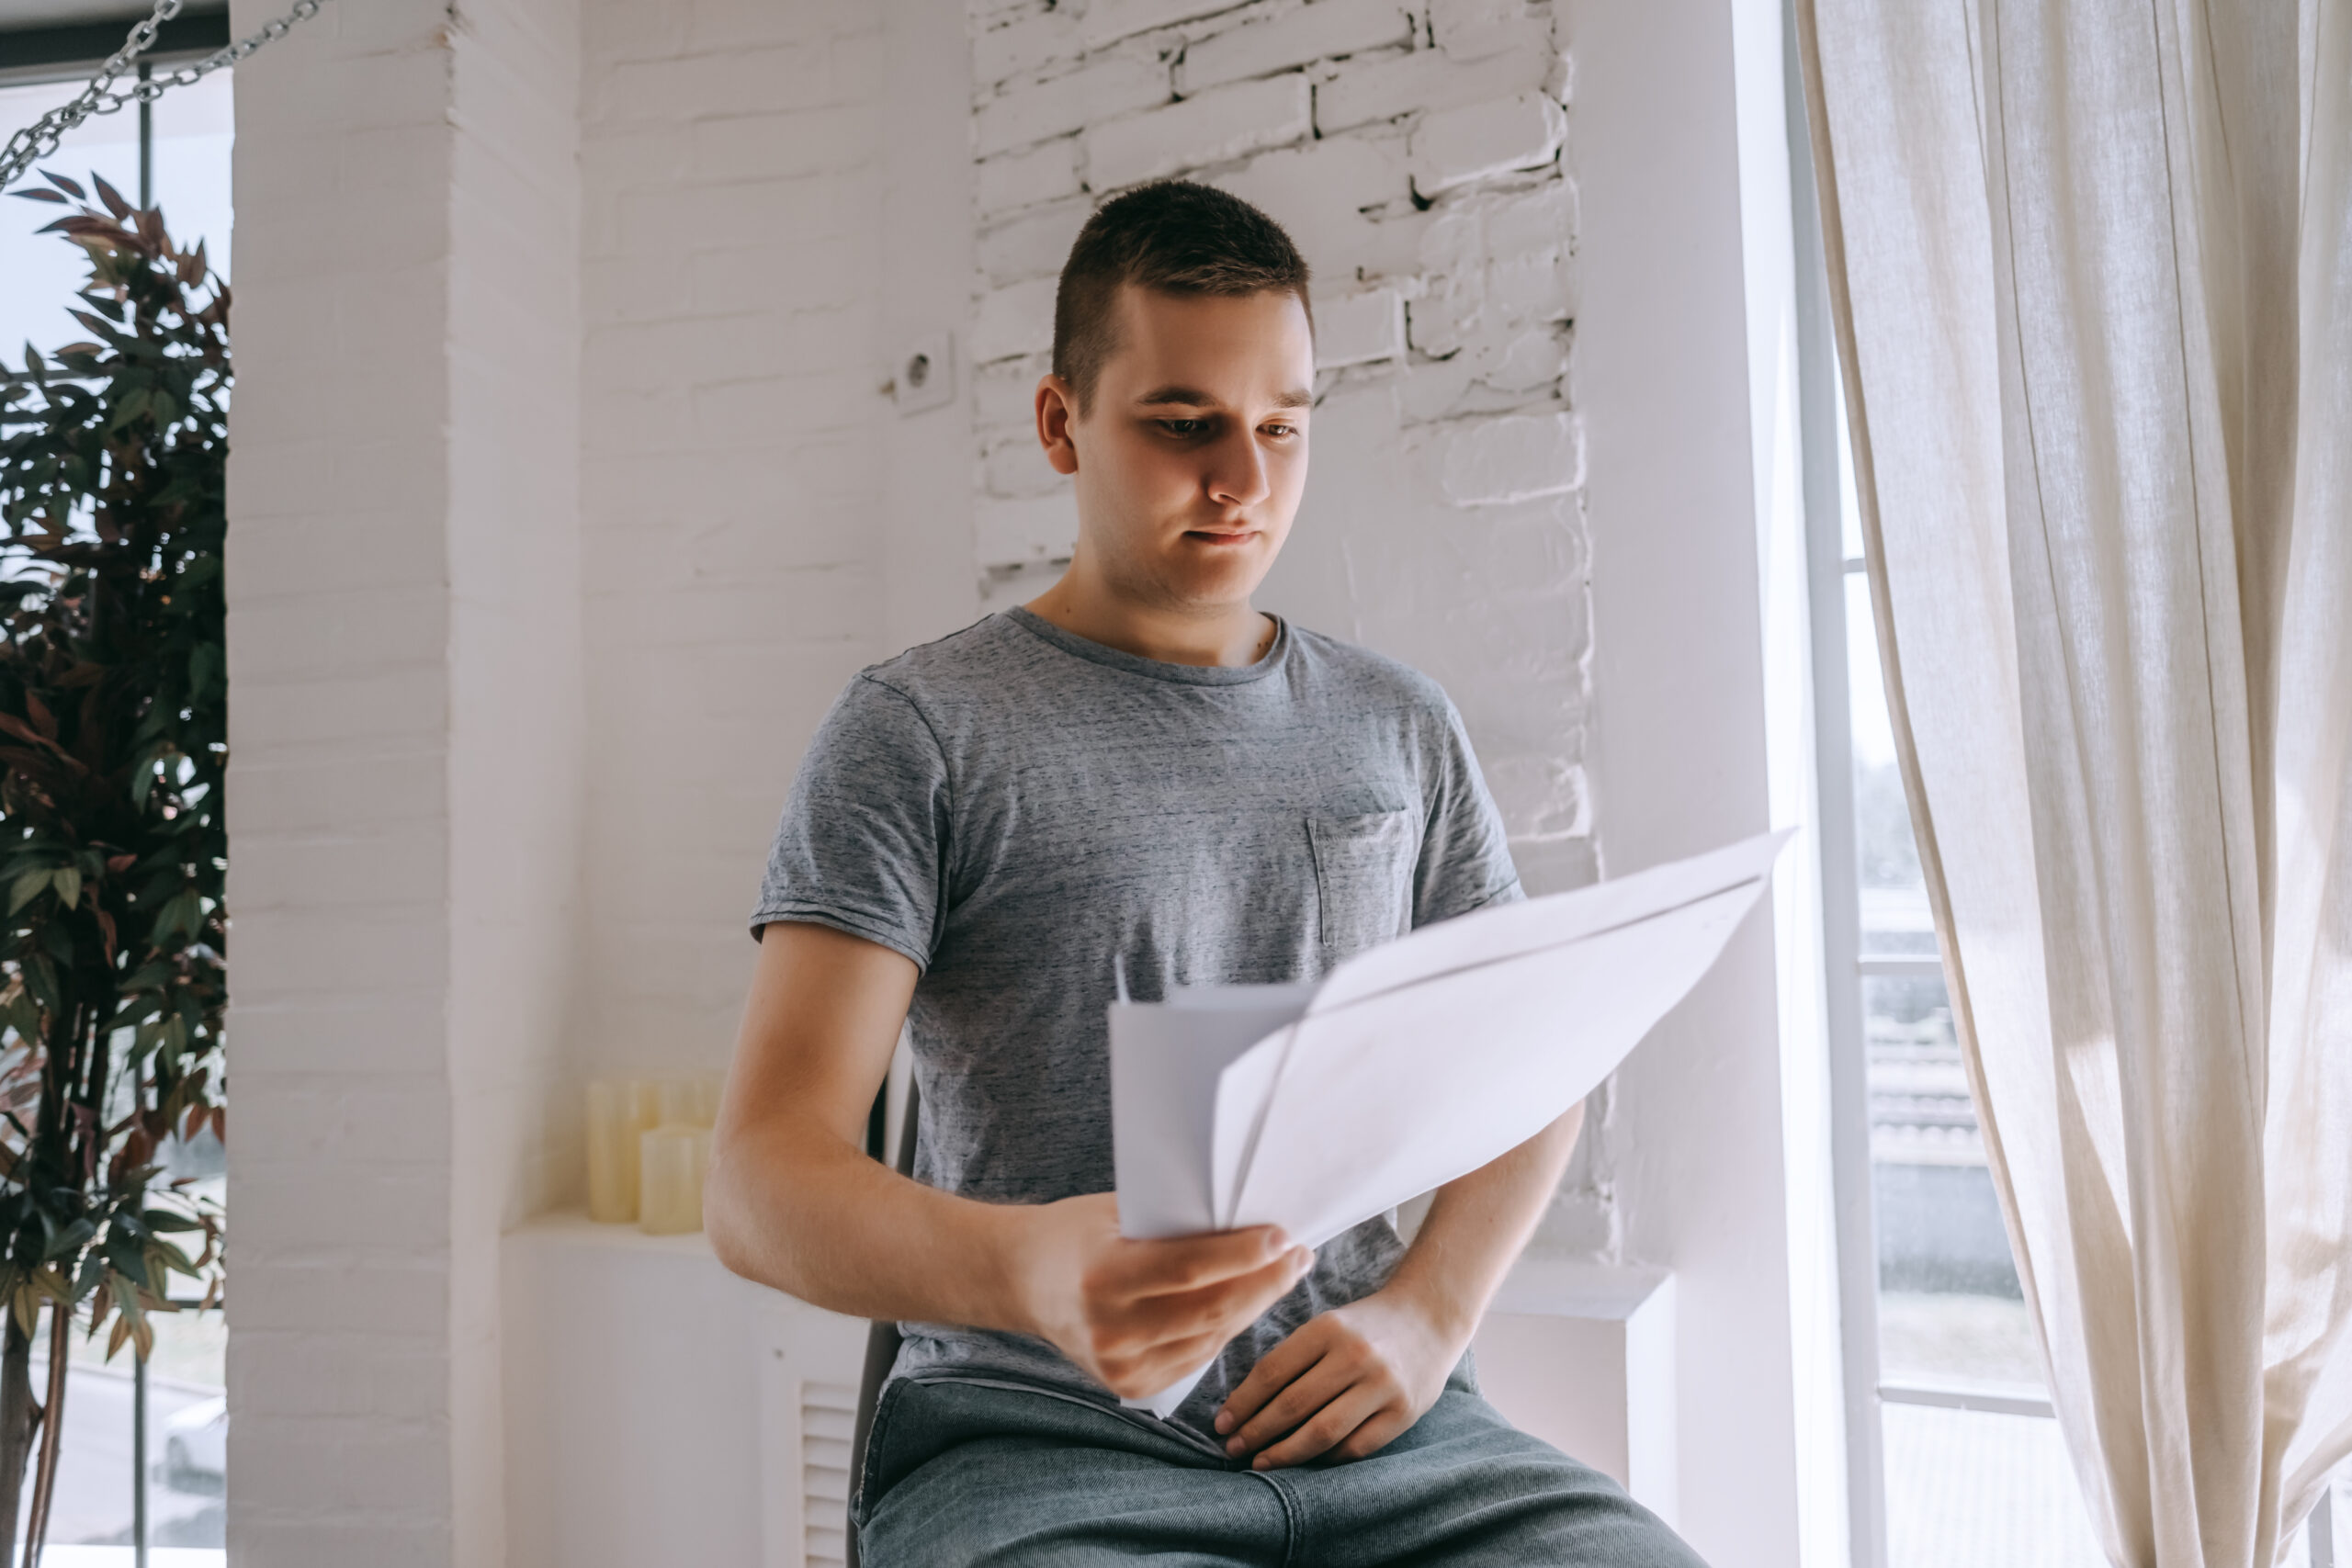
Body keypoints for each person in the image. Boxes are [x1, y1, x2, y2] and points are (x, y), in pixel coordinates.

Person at [707, 178, 1706, 1566]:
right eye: (1185, 428)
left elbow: (1540, 1063)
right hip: (1038, 1450)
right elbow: (761, 1179)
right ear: (1061, 423)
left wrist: (1429, 1313)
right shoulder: (919, 732)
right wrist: (1028, 1269)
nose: (1243, 482)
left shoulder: (1399, 725)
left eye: (1281, 429)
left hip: (1386, 1440)